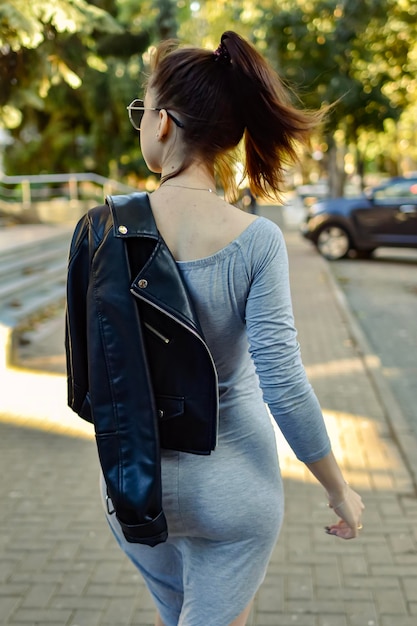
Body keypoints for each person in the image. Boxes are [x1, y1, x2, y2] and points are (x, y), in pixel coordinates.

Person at [66, 31, 364, 626]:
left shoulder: (101, 228)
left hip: (136, 481)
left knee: (176, 615)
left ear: (167, 124)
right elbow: (283, 382)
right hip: (236, 486)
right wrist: (338, 487)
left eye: (142, 110)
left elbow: (86, 383)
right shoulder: (257, 241)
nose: (141, 122)